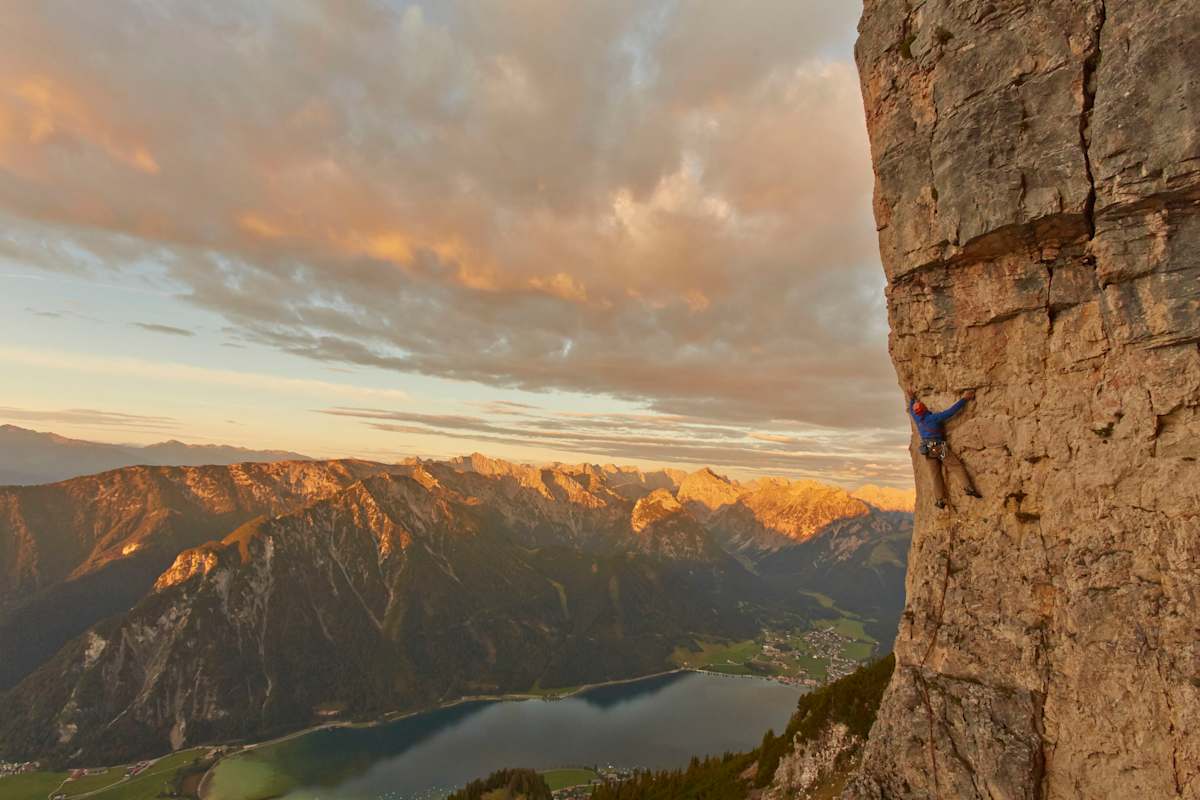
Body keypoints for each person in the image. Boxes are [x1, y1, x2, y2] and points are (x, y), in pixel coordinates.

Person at [908, 389, 981, 509]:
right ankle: (968, 487)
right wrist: (964, 399)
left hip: (927, 450)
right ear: (925, 409)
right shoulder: (933, 418)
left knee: (935, 474)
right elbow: (950, 412)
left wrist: (912, 399)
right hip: (938, 447)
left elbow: (912, 410)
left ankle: (939, 499)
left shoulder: (918, 419)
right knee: (955, 466)